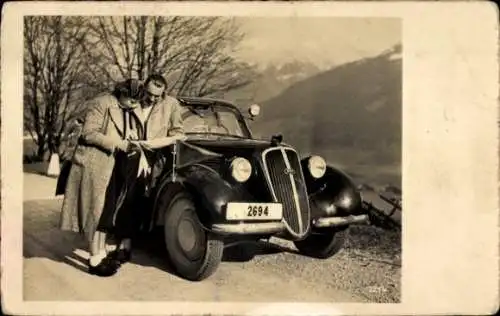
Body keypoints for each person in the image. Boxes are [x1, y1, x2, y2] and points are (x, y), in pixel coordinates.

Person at [59, 79, 144, 277]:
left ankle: (101, 252)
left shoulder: (127, 109)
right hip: (95, 165)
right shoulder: (102, 103)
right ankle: (94, 259)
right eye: (130, 99)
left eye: (136, 101)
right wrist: (118, 144)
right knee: (94, 213)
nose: (133, 104)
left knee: (106, 213)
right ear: (120, 92)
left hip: (114, 166)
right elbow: (88, 133)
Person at [103, 74, 186, 267]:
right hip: (130, 155)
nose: (152, 98)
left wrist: (153, 144)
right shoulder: (135, 100)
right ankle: (122, 242)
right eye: (149, 93)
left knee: (139, 198)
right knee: (124, 197)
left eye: (157, 95)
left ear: (164, 93)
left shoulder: (171, 105)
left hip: (155, 159)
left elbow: (179, 135)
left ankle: (129, 239)